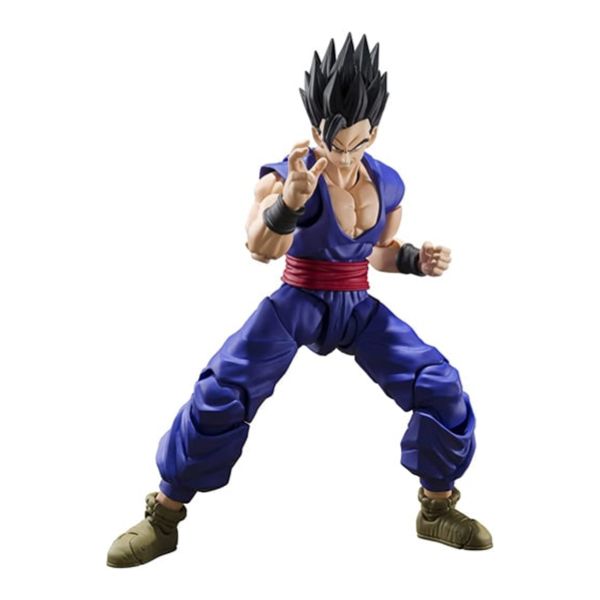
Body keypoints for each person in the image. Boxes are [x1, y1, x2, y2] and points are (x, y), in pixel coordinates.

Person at [107, 33, 492, 568]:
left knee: (440, 384)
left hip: (356, 305)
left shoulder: (387, 185)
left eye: (355, 143)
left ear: (373, 133)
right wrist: (289, 202)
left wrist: (413, 260)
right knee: (222, 391)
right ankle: (164, 515)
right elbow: (259, 248)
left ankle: (437, 507)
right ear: (316, 129)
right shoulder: (288, 175)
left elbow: (378, 252)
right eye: (333, 141)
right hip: (299, 300)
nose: (342, 155)